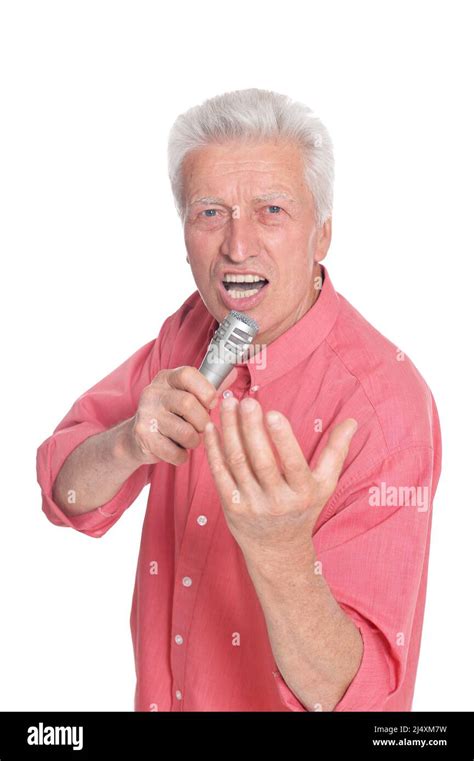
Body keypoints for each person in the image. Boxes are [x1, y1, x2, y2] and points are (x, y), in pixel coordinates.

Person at [36, 88, 441, 712]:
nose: (238, 245)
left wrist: (281, 552)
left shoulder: (388, 411)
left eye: (271, 209)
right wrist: (126, 443)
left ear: (323, 235)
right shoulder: (191, 330)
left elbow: (366, 704)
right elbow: (63, 495)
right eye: (210, 213)